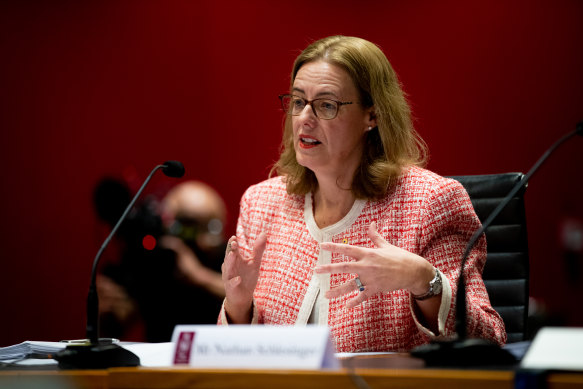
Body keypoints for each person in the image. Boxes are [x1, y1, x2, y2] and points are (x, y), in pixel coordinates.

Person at [219, 35, 506, 352]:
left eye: (326, 105)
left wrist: (424, 281)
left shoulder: (428, 201)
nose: (304, 118)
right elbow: (234, 357)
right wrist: (238, 305)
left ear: (373, 116)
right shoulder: (262, 204)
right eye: (299, 102)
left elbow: (489, 339)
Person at [96, 180, 227, 342]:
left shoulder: (226, 258)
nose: (196, 237)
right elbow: (117, 325)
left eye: (204, 226)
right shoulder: (157, 260)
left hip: (215, 355)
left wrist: (199, 276)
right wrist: (105, 312)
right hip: (160, 360)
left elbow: (252, 303)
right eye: (182, 225)